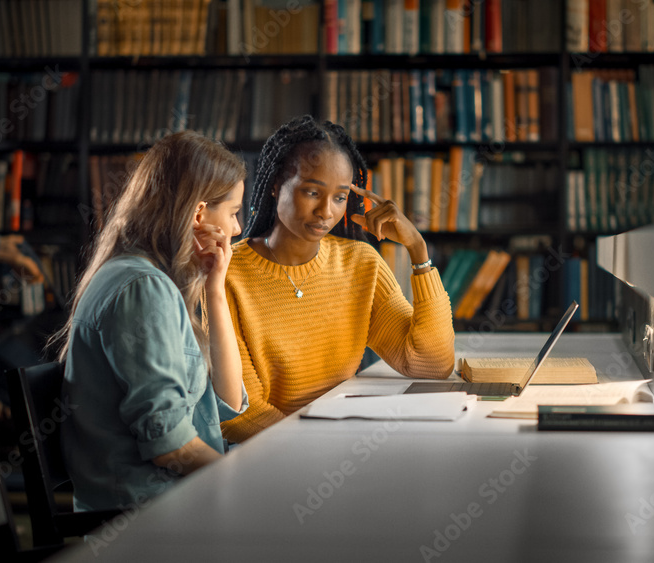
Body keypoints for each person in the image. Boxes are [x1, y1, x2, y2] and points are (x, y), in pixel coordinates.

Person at [220, 115, 455, 443]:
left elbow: (431, 364)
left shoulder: (361, 264)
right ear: (275, 185)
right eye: (312, 192)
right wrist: (317, 449)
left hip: (342, 444)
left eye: (340, 197)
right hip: (273, 456)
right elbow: (240, 415)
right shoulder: (227, 274)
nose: (326, 212)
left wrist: (418, 250)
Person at [49, 131, 249, 511]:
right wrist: (242, 484)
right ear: (198, 214)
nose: (237, 229)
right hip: (151, 518)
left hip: (176, 503)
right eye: (234, 212)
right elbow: (170, 446)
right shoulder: (143, 290)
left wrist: (215, 290)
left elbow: (226, 401)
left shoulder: (157, 282)